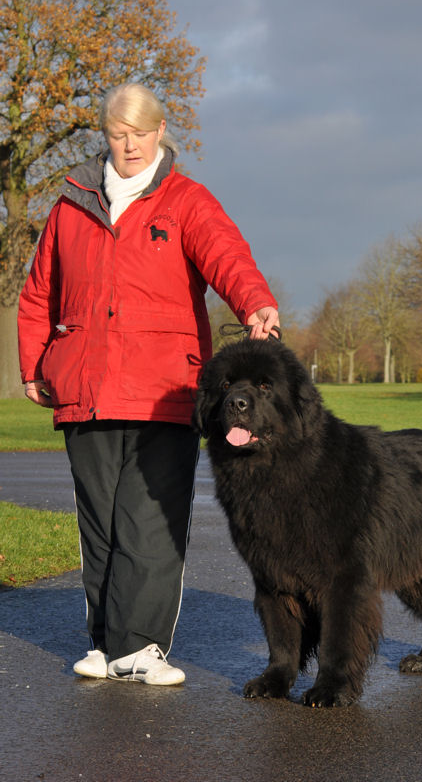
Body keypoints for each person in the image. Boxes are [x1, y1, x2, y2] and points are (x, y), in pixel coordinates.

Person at [18, 82, 279, 685]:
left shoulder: (186, 200)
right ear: (105, 136)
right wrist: (34, 364)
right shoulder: (71, 202)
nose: (129, 144)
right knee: (100, 522)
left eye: (140, 132)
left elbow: (227, 257)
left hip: (167, 389)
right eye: (117, 133)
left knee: (149, 520)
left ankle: (143, 647)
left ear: (161, 131)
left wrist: (257, 303)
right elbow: (39, 292)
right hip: (85, 386)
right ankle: (106, 645)